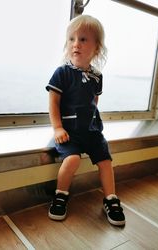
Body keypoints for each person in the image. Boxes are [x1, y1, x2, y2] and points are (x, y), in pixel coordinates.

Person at [46, 14, 125, 226]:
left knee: (106, 161)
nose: (76, 44)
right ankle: (61, 195)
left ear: (97, 48)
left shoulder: (97, 76)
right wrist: (57, 128)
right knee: (71, 160)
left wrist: (90, 121)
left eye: (83, 39)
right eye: (72, 39)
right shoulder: (62, 73)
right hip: (69, 132)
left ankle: (111, 199)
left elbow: (94, 100)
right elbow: (53, 102)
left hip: (91, 131)